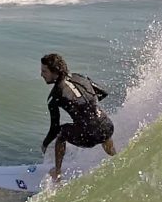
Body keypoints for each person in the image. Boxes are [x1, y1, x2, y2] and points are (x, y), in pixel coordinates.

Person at [40, 53, 116, 181]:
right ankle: (114, 155)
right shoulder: (80, 77)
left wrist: (45, 144)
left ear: (55, 72)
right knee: (99, 125)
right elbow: (103, 93)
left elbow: (54, 128)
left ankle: (57, 173)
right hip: (108, 126)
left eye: (44, 71)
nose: (41, 74)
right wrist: (91, 112)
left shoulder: (55, 96)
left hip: (89, 137)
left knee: (61, 134)